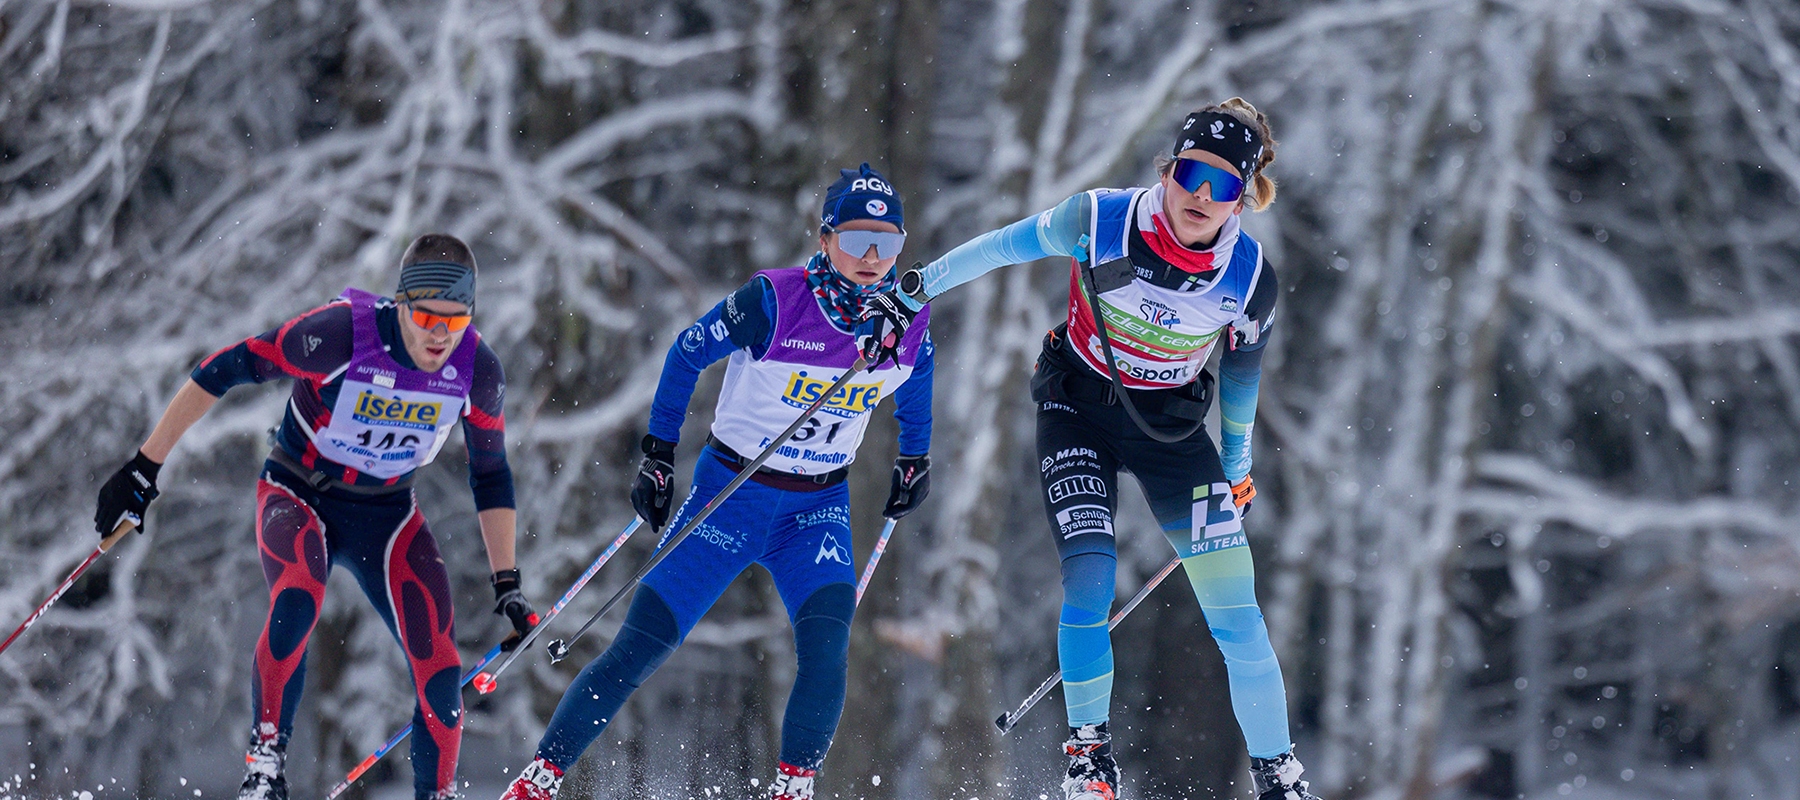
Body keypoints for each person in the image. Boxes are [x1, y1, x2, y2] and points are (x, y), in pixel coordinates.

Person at [860, 99, 1318, 800]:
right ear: (1168, 168)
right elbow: (1002, 245)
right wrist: (918, 288)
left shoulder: (1250, 281)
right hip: (1077, 412)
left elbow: (1242, 380)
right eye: (1192, 172)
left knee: (1236, 607)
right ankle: (1089, 763)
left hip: (1171, 434)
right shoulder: (1099, 221)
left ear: (1242, 199)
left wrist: (1236, 469)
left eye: (1224, 184)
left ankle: (1279, 776)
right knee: (1090, 578)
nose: (1201, 195)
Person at [497, 163, 934, 800]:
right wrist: (657, 454)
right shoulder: (773, 300)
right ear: (825, 239)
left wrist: (914, 459)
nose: (872, 258)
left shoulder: (907, 323)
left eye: (888, 244)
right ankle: (538, 781)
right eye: (856, 239)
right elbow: (684, 353)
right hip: (729, 499)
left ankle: (793, 787)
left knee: (827, 646)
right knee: (639, 648)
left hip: (817, 509)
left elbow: (917, 387)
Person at [92, 235, 537, 800]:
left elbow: (491, 474)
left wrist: (508, 584)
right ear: (401, 304)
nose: (440, 334)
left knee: (442, 673)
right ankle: (265, 767)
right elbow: (223, 368)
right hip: (300, 492)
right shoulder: (339, 335)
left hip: (388, 515)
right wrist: (143, 466)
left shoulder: (478, 372)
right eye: (426, 316)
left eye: (456, 319)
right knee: (299, 597)